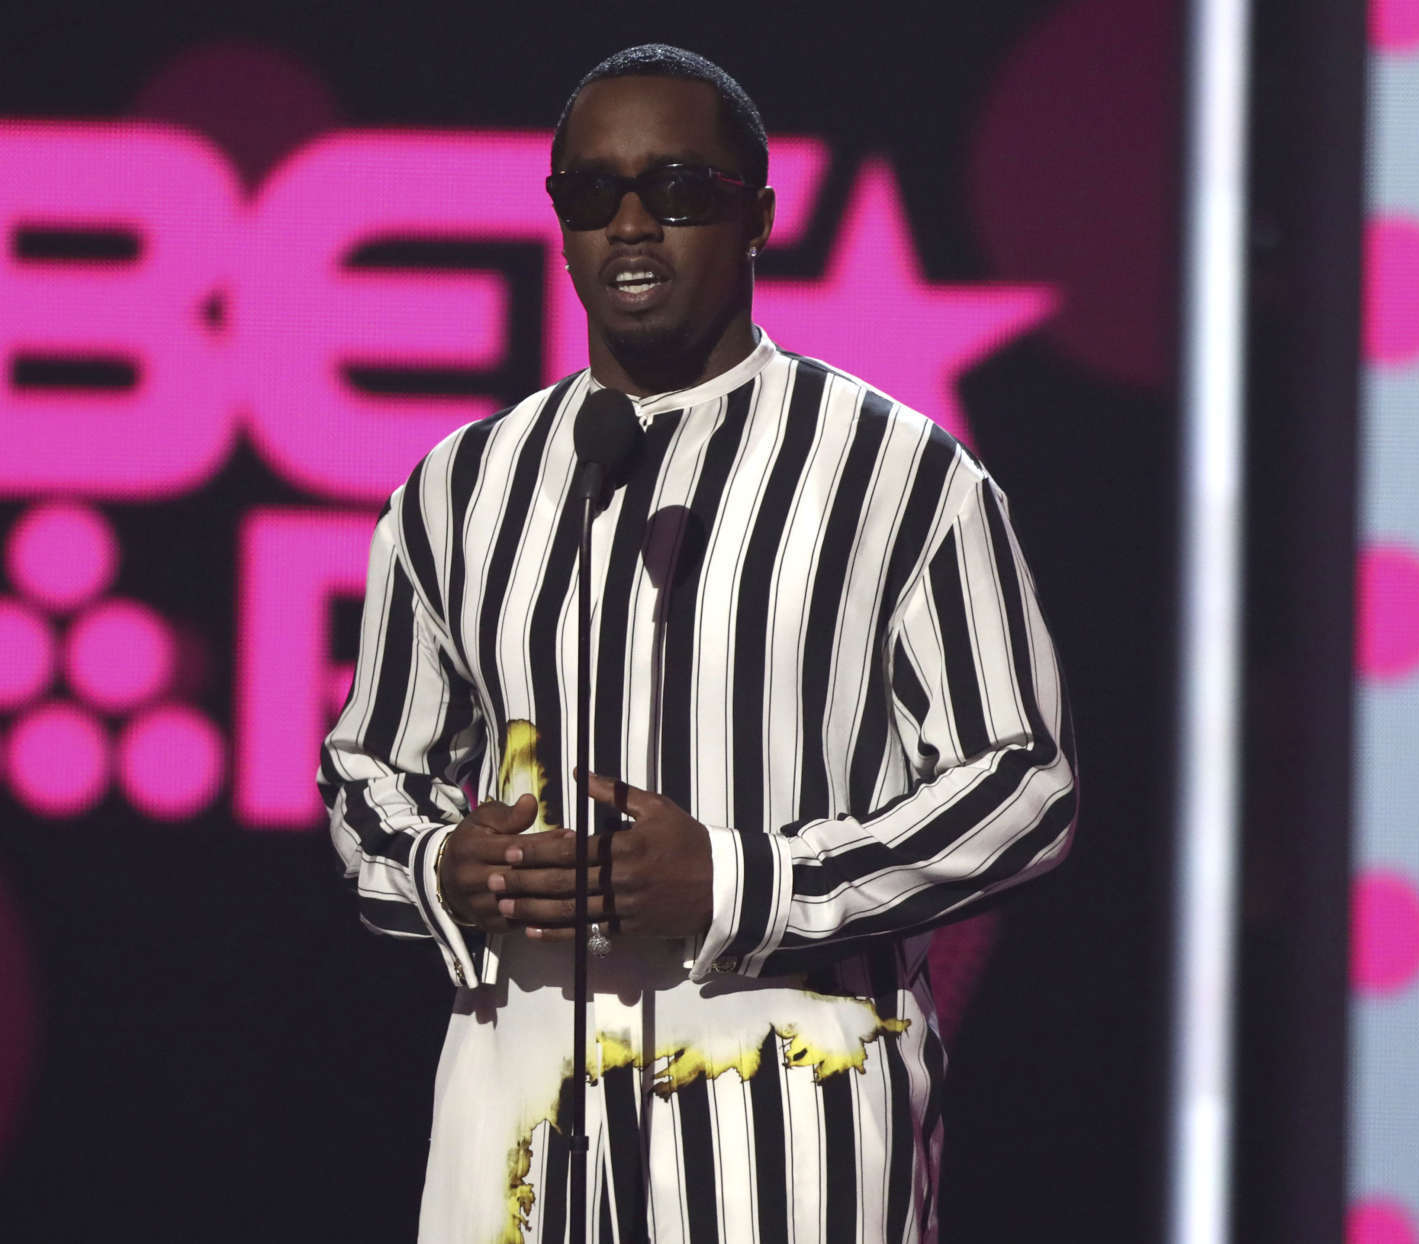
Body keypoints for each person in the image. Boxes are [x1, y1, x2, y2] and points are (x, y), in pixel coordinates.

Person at [318, 43, 1078, 1244]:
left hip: (787, 1115)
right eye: (591, 193)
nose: (631, 225)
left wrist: (738, 880)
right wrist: (439, 862)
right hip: (516, 1119)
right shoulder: (460, 488)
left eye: (677, 190)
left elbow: (1022, 785)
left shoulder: (895, 477)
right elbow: (366, 765)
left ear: (758, 217)